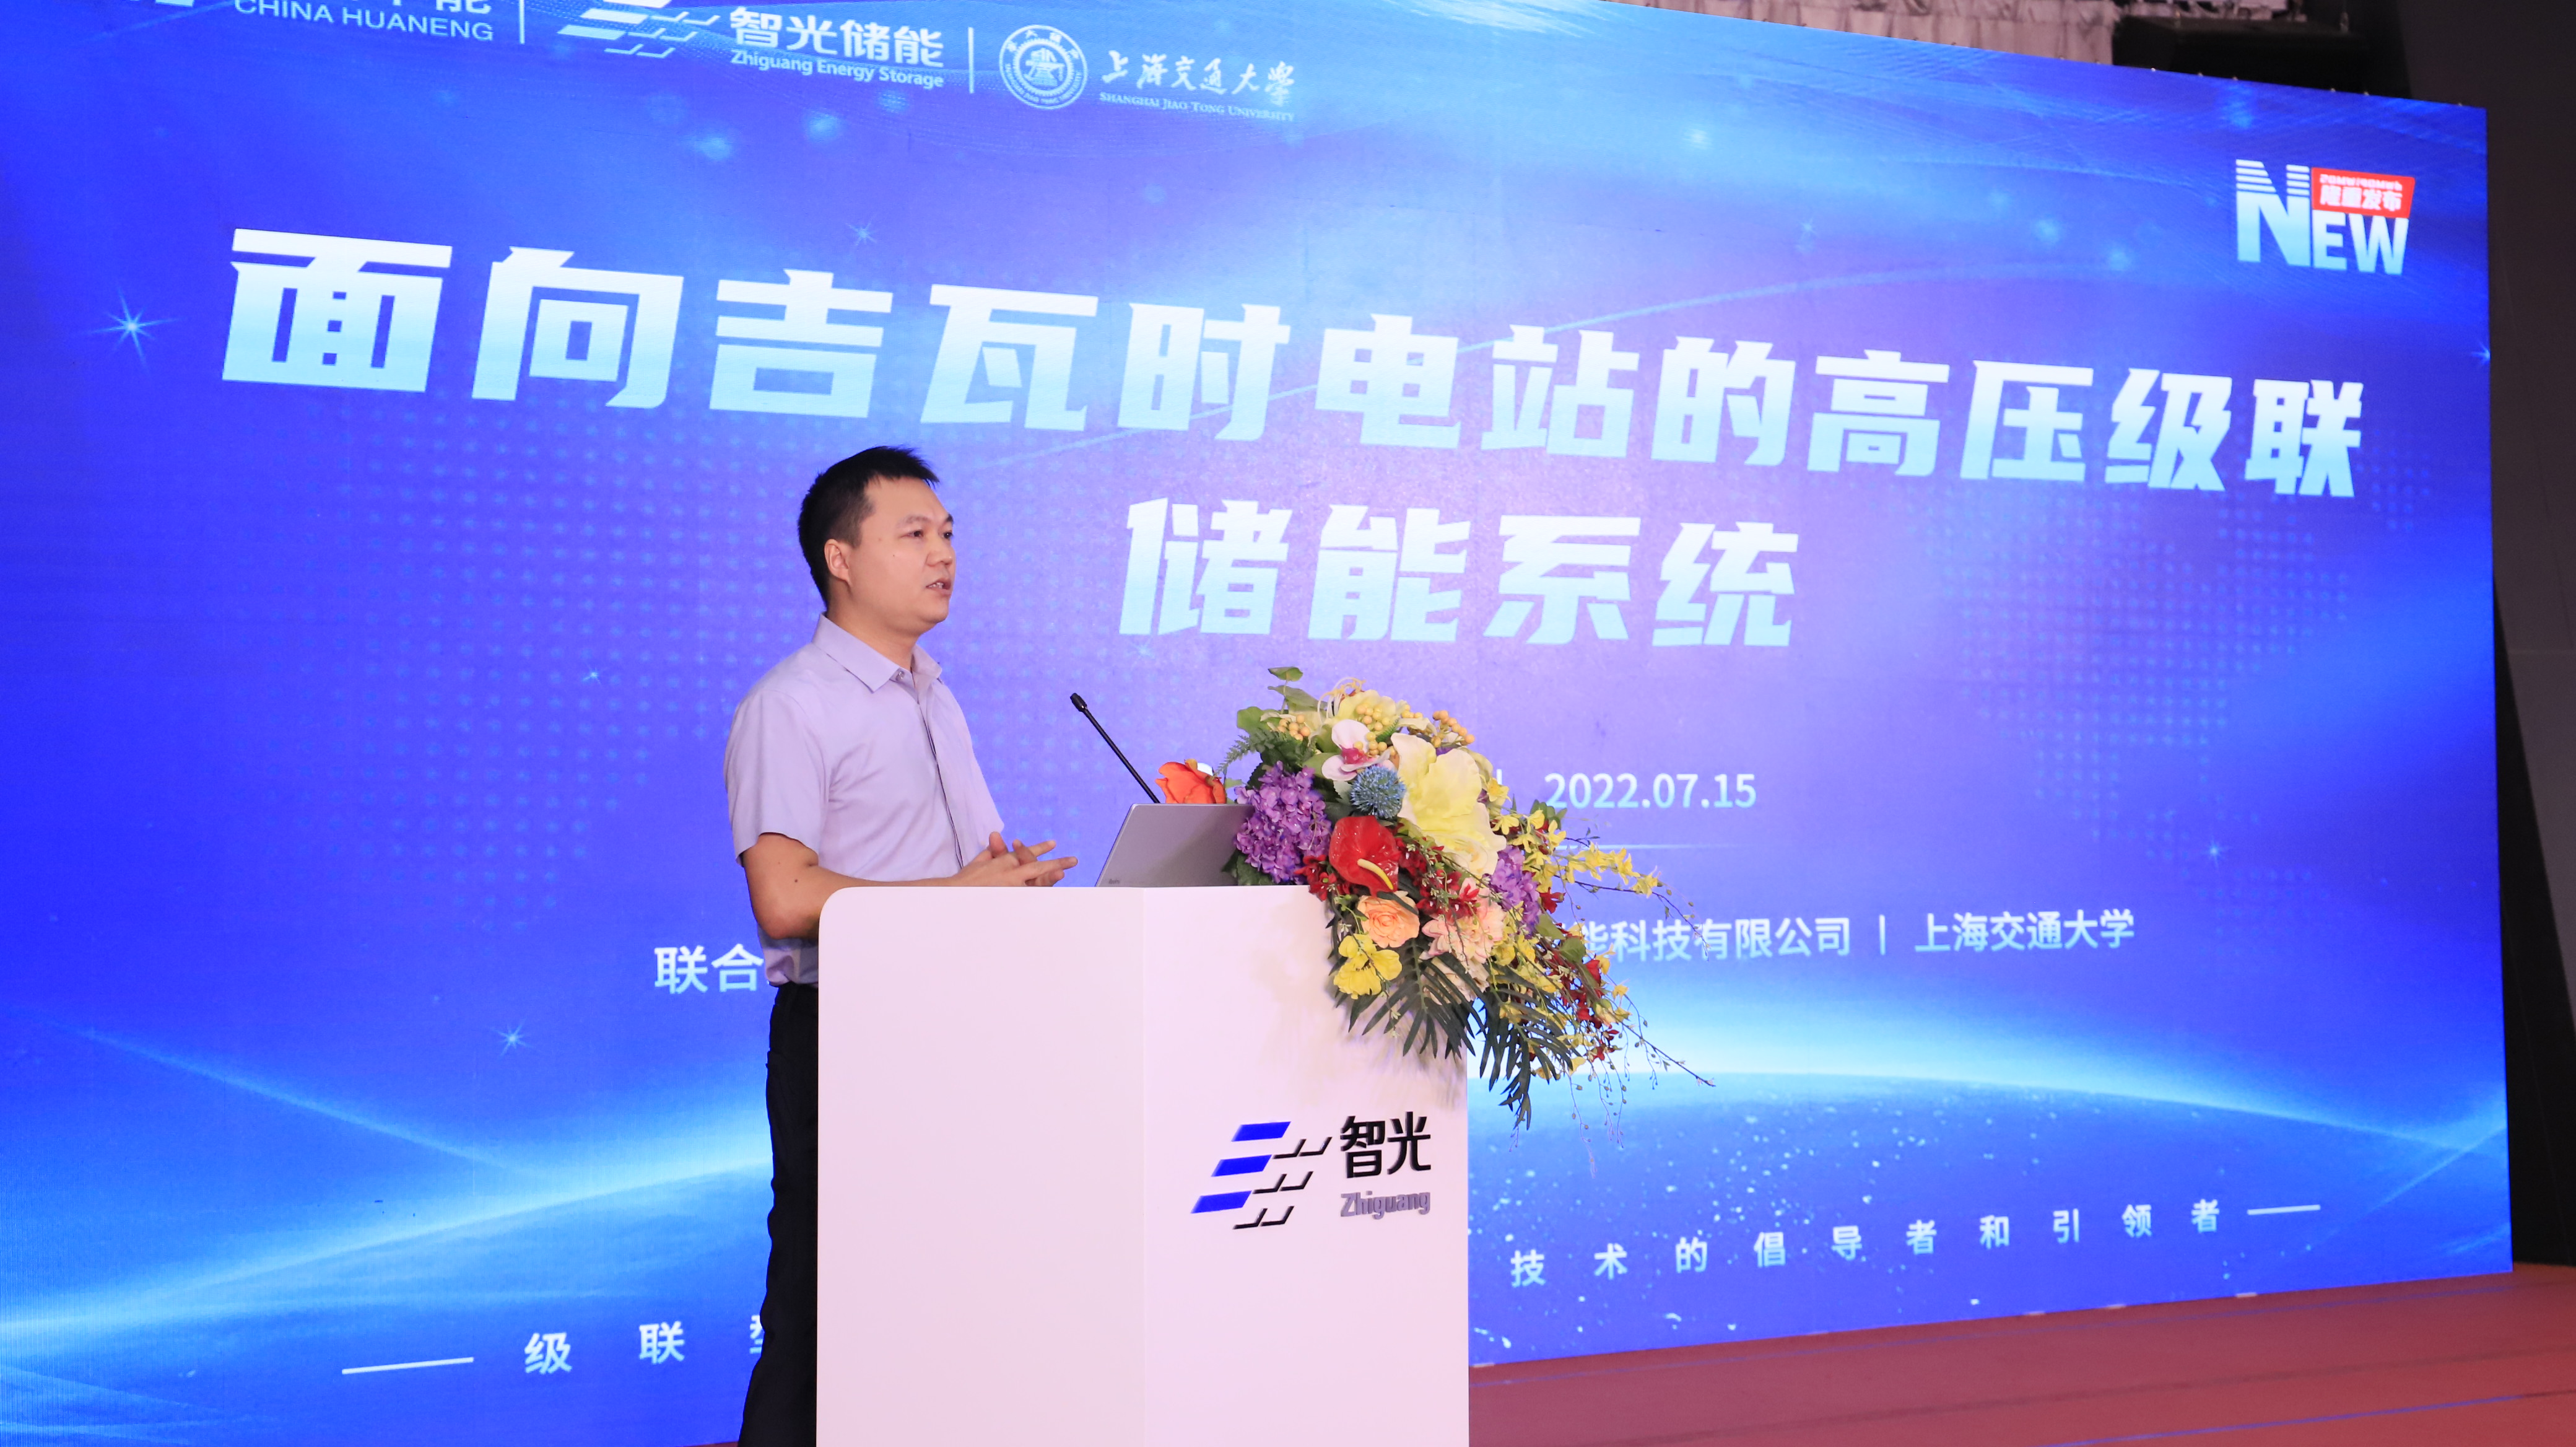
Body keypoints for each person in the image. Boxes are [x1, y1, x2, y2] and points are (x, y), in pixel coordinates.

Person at [722, 445, 1072, 1446]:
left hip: (958, 1028)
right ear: (841, 558)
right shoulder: (793, 705)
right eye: (914, 535)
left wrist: (1002, 882)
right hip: (851, 1036)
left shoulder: (933, 696)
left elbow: (952, 874)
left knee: (940, 1302)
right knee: (822, 1309)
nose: (944, 555)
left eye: (949, 534)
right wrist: (956, 897)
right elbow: (783, 896)